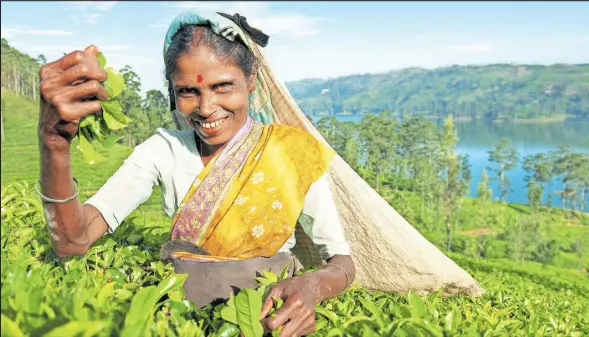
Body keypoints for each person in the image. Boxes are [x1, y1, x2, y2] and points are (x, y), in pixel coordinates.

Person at [37, 10, 355, 337]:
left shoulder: (292, 153)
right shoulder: (163, 151)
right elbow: (73, 242)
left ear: (251, 80)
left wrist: (309, 287)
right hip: (181, 321)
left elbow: (342, 263)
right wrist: (54, 144)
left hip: (270, 321)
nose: (205, 108)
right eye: (189, 91)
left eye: (222, 86)